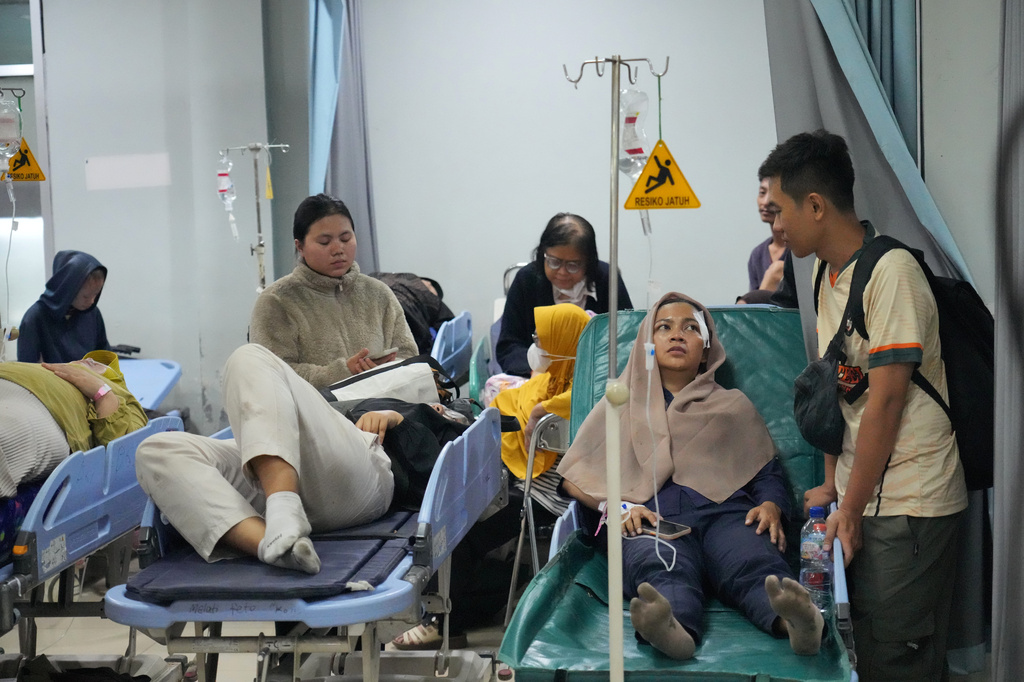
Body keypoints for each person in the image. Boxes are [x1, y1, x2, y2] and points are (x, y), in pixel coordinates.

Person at [758, 130, 967, 680]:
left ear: (816, 206)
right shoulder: (827, 274)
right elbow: (841, 386)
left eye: (778, 211)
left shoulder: (892, 273)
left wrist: (849, 507)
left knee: (900, 658)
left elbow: (889, 400)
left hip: (910, 502)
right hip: (861, 492)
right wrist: (832, 485)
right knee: (868, 652)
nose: (775, 227)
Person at [557, 293, 823, 661]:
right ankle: (672, 630)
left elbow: (765, 470)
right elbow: (577, 478)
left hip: (727, 514)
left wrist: (771, 505)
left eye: (690, 328)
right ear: (646, 346)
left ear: (706, 350)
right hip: (653, 518)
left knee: (753, 561)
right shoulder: (619, 404)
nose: (677, 335)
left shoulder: (732, 406)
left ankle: (795, 623)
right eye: (663, 328)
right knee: (661, 568)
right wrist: (618, 506)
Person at [135, 343, 467, 574]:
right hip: (283, 461)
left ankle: (283, 506)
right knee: (155, 451)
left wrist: (400, 420)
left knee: (248, 357)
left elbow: (446, 464)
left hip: (363, 469)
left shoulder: (440, 415)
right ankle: (274, 546)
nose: (338, 248)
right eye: (325, 239)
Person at [391, 303, 591, 650]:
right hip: (519, 484)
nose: (535, 345)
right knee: (456, 506)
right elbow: (508, 405)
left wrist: (543, 411)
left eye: (543, 339)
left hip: (547, 500)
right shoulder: (549, 380)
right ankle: (474, 599)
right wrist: (458, 416)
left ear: (564, 344)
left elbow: (571, 403)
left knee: (462, 526)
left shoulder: (583, 393)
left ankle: (445, 622)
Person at [250, 194, 417, 389]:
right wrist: (342, 372)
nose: (338, 249)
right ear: (300, 246)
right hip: (313, 416)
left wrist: (387, 370)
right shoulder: (276, 302)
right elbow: (272, 375)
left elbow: (408, 355)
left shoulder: (378, 293)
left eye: (346, 238)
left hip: (381, 413)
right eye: (324, 242)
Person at [496, 212, 632, 377]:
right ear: (542, 254)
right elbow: (509, 346)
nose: (562, 272)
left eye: (573, 265)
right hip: (536, 376)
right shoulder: (526, 280)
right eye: (554, 262)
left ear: (589, 261)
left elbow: (627, 338)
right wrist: (534, 370)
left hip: (594, 376)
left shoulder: (607, 279)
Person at [0, 349, 147, 500]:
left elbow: (124, 454)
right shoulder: (46, 369)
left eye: (96, 365)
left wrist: (102, 394)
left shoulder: (124, 397)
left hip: (44, 408)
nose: (89, 360)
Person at [18, 250, 111, 363]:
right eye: (86, 296)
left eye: (96, 294)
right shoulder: (35, 318)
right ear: (68, 289)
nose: (92, 301)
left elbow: (105, 357)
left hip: (89, 379)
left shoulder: (93, 313)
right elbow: (26, 369)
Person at [747, 178, 788, 292]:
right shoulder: (757, 254)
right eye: (762, 193)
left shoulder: (802, 251)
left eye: (773, 194)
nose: (765, 202)